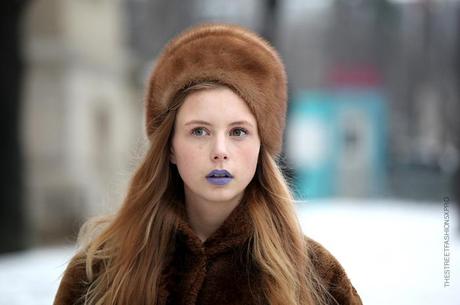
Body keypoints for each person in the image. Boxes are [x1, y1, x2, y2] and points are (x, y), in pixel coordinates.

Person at [53, 23, 363, 305]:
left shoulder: (318, 277)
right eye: (199, 131)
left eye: (238, 132)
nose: (220, 151)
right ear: (170, 147)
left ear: (260, 147)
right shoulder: (98, 272)